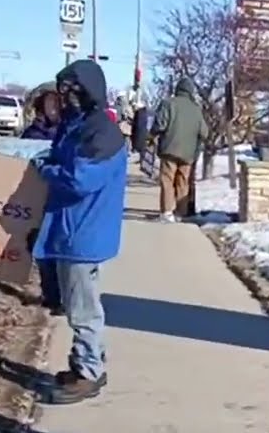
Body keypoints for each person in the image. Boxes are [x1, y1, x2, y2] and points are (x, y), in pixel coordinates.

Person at [32, 59, 129, 405]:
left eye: (72, 91)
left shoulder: (102, 132)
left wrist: (46, 170)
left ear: (87, 91)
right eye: (63, 91)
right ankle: (86, 361)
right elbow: (64, 160)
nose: (66, 98)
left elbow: (79, 179)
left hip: (83, 231)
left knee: (83, 309)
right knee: (78, 304)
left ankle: (89, 371)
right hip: (71, 226)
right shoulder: (79, 125)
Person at [21, 90, 65, 314]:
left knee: (60, 249)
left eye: (58, 102)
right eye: (49, 102)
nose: (53, 107)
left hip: (60, 198)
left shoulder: (70, 132)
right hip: (34, 200)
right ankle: (51, 295)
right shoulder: (32, 132)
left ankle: (62, 296)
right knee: (39, 246)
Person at [149, 77, 207, 223]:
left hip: (170, 148)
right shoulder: (196, 109)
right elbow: (205, 132)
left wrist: (151, 135)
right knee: (183, 181)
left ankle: (167, 213)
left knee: (167, 180)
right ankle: (181, 212)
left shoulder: (168, 103)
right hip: (188, 153)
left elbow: (160, 125)